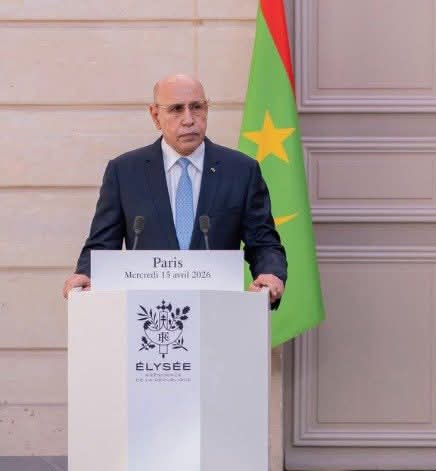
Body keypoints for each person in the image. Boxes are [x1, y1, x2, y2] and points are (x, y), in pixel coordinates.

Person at [62, 74, 287, 304]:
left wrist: (271, 273)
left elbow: (263, 242)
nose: (188, 120)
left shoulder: (241, 170)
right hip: (147, 312)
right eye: (176, 109)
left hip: (217, 310)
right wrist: (86, 274)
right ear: (155, 116)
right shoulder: (124, 171)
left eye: (196, 107)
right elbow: (102, 244)